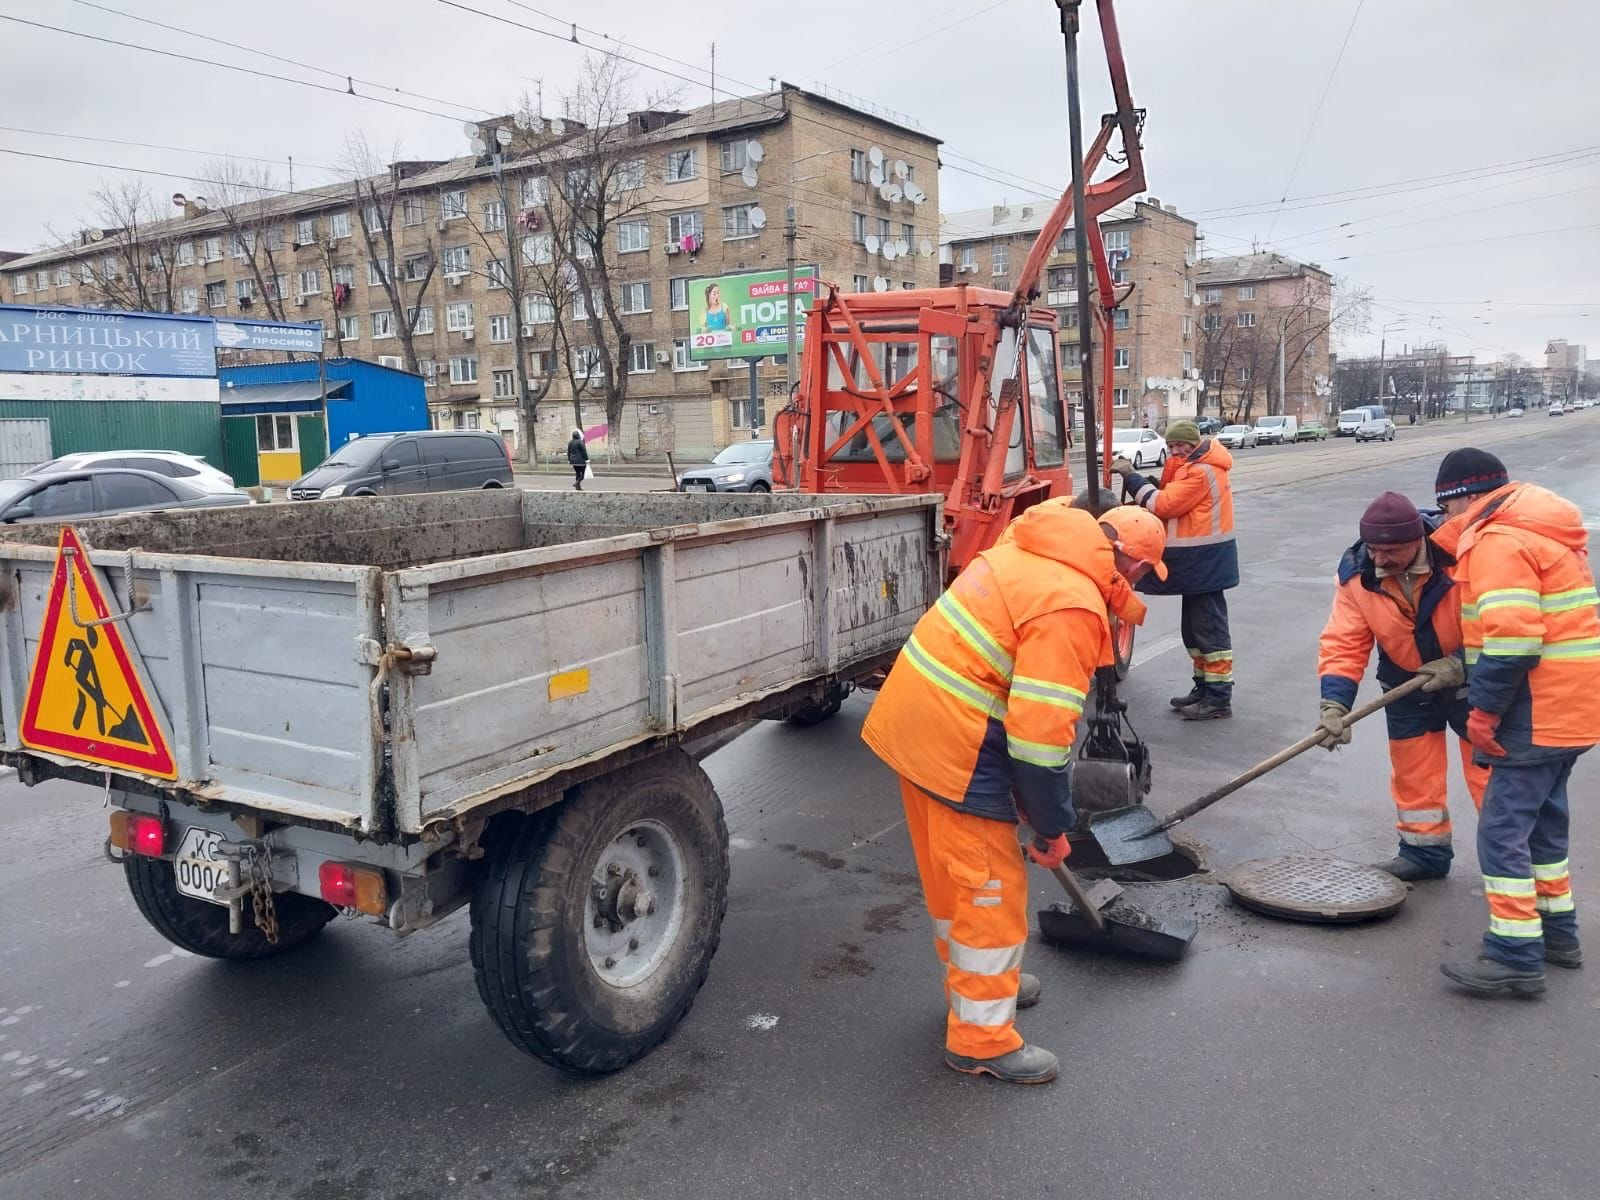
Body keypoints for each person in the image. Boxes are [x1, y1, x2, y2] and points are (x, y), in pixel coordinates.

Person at [861, 500, 1167, 1084]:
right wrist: (1052, 825)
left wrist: (1030, 806)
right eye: (1143, 573)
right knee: (990, 895)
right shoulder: (1073, 604)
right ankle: (981, 1038)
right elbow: (1040, 737)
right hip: (959, 745)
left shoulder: (1029, 549)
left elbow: (1012, 703)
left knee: (954, 880)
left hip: (913, 724)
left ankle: (980, 987)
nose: (1137, 585)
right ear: (1127, 566)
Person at [1428, 448, 1600, 995]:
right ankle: (1558, 935)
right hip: (1572, 709)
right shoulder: (1546, 532)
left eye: (1446, 507)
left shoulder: (1499, 540)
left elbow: (1513, 643)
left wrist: (1483, 711)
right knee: (1545, 826)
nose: (1446, 520)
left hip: (1536, 710)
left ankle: (1514, 955)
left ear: (1466, 498)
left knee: (1503, 833)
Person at [1315, 490, 1487, 881]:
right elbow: (1344, 642)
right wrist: (1334, 705)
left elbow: (1499, 625)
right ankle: (1424, 853)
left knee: (1489, 774)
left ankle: (1510, 861)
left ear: (1416, 542)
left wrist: (1461, 663)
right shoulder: (1357, 575)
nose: (1378, 560)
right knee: (1414, 774)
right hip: (1406, 685)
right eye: (1372, 549)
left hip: (1472, 683)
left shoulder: (1457, 558)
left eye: (1388, 551)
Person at [1111, 418, 1239, 719]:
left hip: (1206, 562)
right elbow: (1173, 499)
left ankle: (1218, 698)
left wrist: (1132, 477)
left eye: (1181, 444)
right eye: (1171, 445)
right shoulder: (1192, 468)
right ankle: (1204, 687)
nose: (1176, 450)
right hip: (1200, 562)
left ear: (1195, 445)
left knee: (1209, 632)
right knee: (1194, 632)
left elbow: (1164, 506)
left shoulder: (1202, 471)